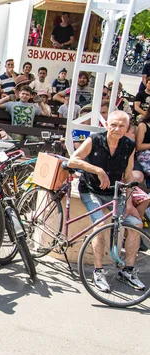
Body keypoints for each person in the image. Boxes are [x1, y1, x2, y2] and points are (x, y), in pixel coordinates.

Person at [67, 110, 145, 293]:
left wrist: (130, 203)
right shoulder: (95, 139)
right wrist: (97, 170)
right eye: (114, 125)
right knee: (100, 224)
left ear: (127, 128)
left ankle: (128, 270)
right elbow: (73, 160)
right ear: (107, 125)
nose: (117, 129)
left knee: (136, 224)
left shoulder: (129, 145)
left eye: (122, 126)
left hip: (115, 193)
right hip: (90, 190)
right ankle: (98, 271)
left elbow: (127, 176)